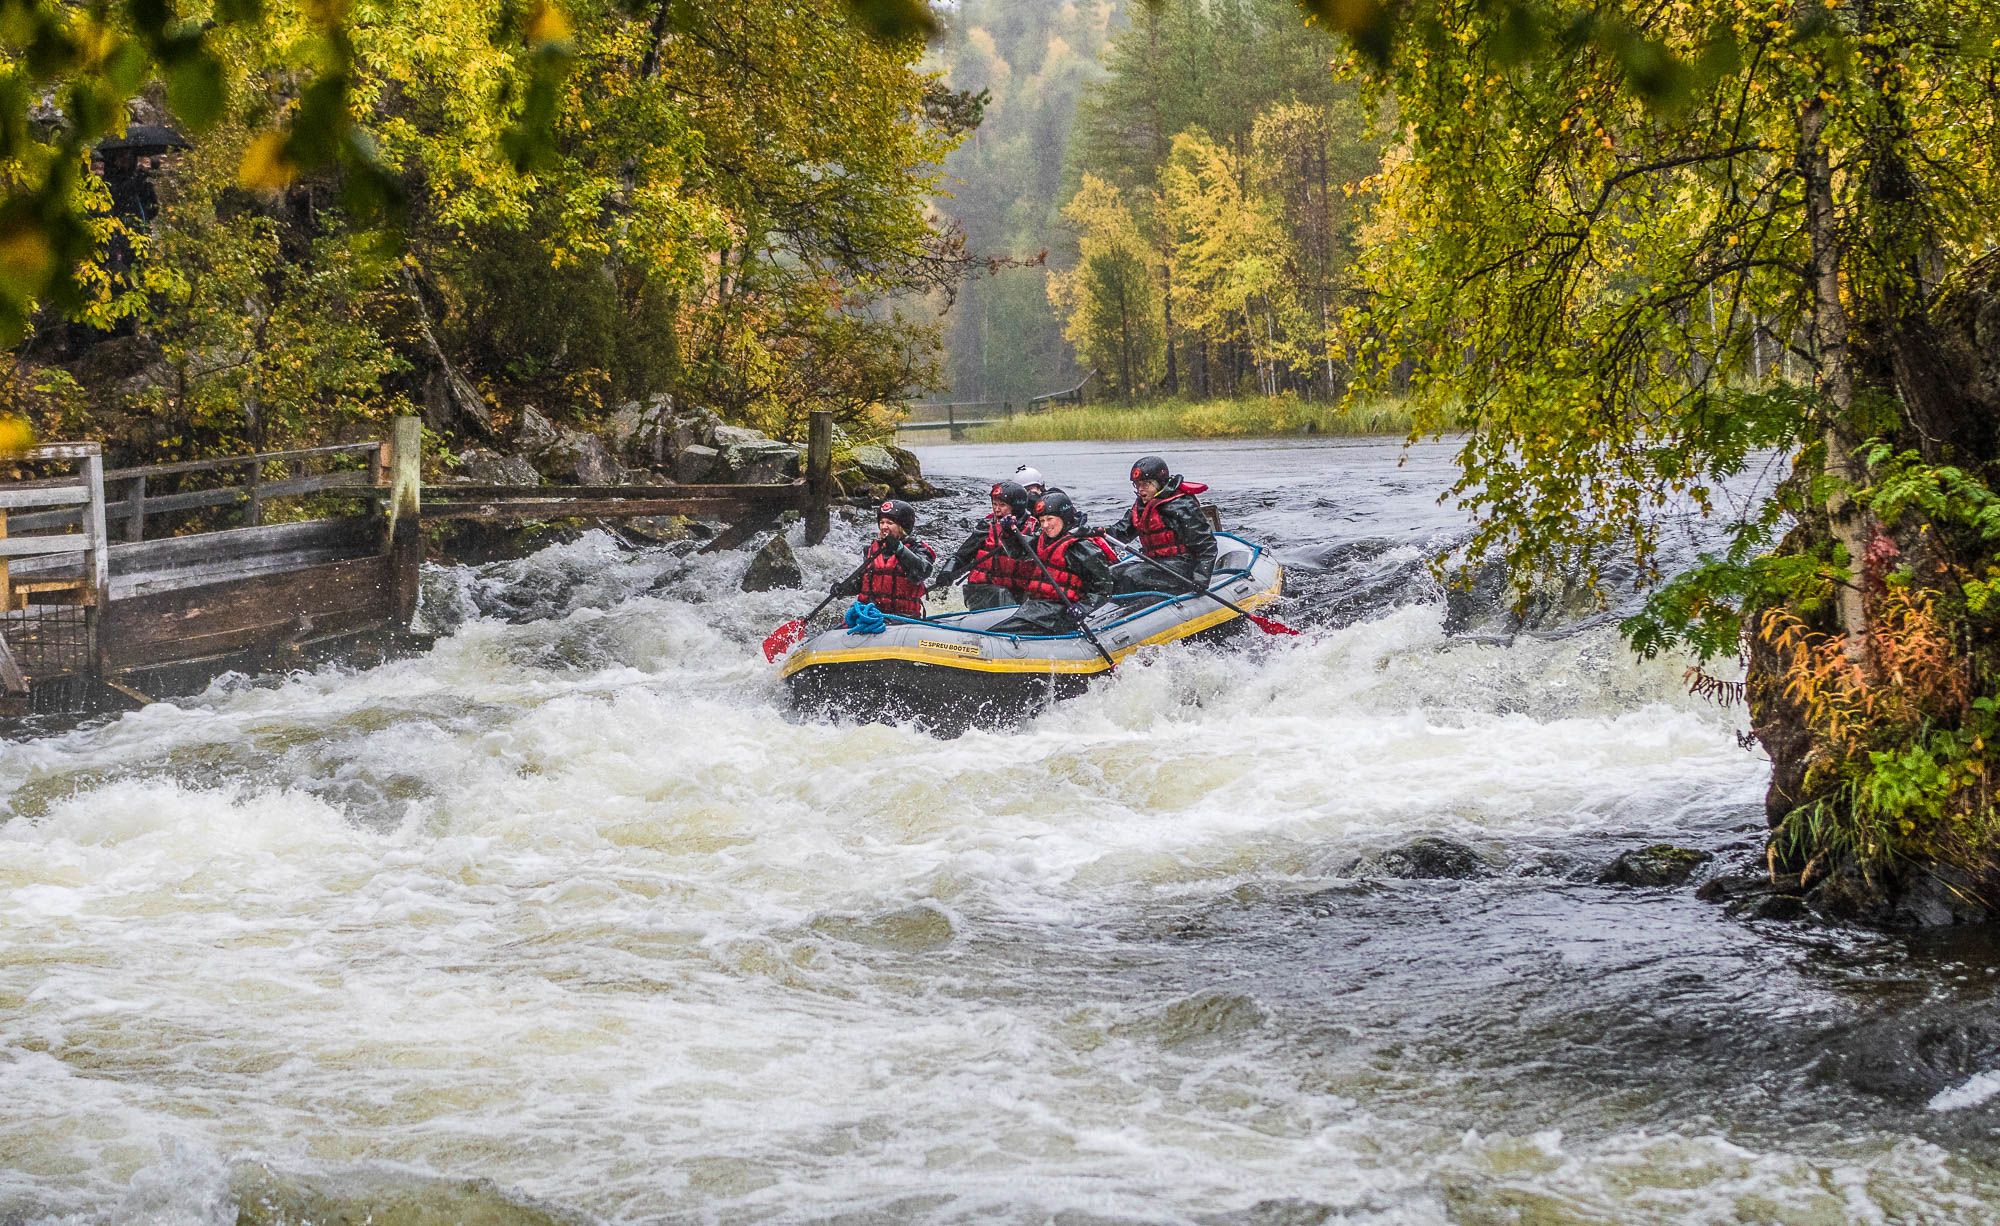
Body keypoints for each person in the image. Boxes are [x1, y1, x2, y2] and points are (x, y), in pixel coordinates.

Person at [993, 491, 1117, 634]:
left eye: (1050, 519)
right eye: (1042, 520)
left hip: (1061, 612)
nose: (1045, 525)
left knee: (1001, 633)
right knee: (999, 630)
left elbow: (1104, 590)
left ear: (1064, 518)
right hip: (1038, 608)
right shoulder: (1044, 540)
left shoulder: (1081, 547)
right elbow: (1019, 552)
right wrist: (1009, 533)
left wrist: (1083, 608)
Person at [1107, 454, 1216, 593]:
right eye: (1137, 485)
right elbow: (1121, 532)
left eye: (1145, 484)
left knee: (1131, 576)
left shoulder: (1181, 506)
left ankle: (1134, 604)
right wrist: (1096, 534)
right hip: (1156, 563)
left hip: (1182, 565)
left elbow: (1207, 545)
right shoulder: (1141, 506)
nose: (1140, 489)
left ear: (1159, 483)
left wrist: (1201, 578)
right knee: (1110, 575)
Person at [933, 480, 1034, 610]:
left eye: (1002, 505)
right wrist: (947, 571)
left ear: (1016, 507)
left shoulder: (1034, 528)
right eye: (994, 504)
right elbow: (961, 556)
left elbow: (1031, 554)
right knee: (1001, 595)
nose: (997, 509)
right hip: (983, 591)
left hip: (1019, 592)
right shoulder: (987, 526)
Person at [831, 499, 936, 619]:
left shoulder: (918, 549)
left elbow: (922, 572)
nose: (884, 527)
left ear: (902, 526)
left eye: (890, 523)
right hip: (871, 615)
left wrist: (899, 549)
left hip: (903, 618)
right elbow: (862, 583)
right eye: (882, 522)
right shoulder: (871, 549)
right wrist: (844, 589)